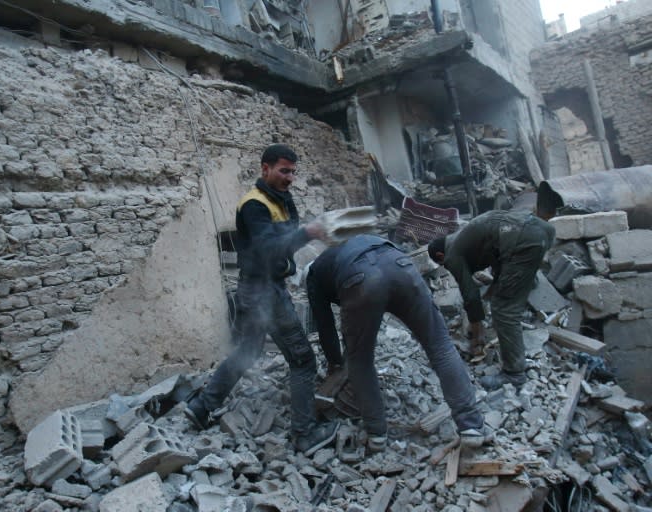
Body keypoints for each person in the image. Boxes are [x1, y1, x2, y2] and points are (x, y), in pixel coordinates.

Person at [185, 143, 339, 456]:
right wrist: (309, 232)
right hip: (265, 292)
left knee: (248, 350)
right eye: (284, 170)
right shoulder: (254, 205)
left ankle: (202, 405)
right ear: (264, 168)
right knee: (303, 361)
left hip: (257, 289)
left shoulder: (279, 199)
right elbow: (270, 249)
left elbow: (284, 242)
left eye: (293, 171)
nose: (290, 177)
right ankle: (305, 434)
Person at [306, 234, 488, 451]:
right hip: (401, 265)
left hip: (360, 278)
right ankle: (471, 427)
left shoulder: (314, 274)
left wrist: (335, 364)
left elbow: (325, 325)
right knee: (440, 345)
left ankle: (377, 435)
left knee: (360, 361)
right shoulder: (346, 247)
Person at [428, 209, 555, 391]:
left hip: (523, 240)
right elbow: (499, 259)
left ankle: (514, 374)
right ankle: (528, 282)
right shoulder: (465, 238)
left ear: (440, 257)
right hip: (542, 230)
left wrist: (476, 330)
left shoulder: (451, 255)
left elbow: (470, 294)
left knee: (503, 310)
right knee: (507, 277)